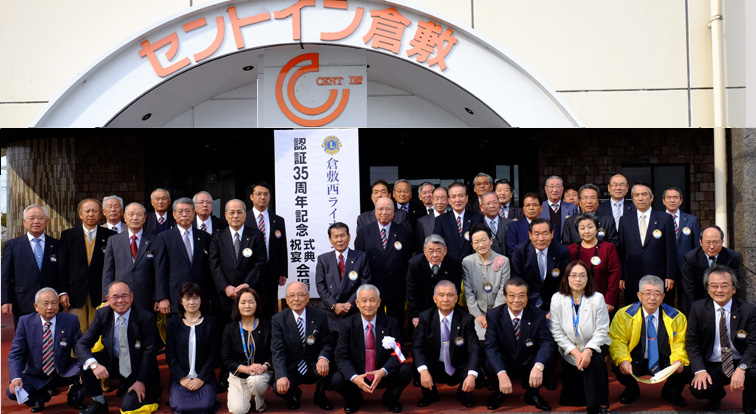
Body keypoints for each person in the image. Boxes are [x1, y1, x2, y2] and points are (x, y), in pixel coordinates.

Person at [76, 281, 162, 414]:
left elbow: (149, 351)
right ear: (108, 299)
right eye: (115, 297)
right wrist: (94, 365)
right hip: (113, 362)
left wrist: (140, 380)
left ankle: (142, 390)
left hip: (138, 367)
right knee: (86, 364)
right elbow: (82, 344)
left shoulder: (145, 317)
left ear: (132, 297)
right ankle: (99, 402)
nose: (120, 300)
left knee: (129, 406)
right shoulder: (102, 314)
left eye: (124, 296)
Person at [608, 275, 691, 407]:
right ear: (639, 296)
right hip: (635, 359)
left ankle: (671, 391)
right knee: (619, 365)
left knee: (685, 367)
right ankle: (632, 389)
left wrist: (678, 360)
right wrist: (623, 360)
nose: (652, 298)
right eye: (647, 293)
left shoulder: (677, 317)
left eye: (657, 293)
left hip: (665, 359)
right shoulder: (623, 315)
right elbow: (617, 341)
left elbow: (680, 342)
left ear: (663, 297)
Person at [331, 284, 412, 413]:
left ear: (379, 302)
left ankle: (390, 399)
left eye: (372, 300)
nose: (368, 305)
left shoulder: (391, 323)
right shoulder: (346, 325)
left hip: (382, 373)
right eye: (364, 301)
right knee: (337, 379)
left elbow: (399, 352)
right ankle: (354, 399)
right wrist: (354, 377)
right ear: (357, 303)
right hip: (359, 373)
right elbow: (341, 356)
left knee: (405, 371)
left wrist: (383, 371)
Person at [686, 266, 756, 412]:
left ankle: (750, 406)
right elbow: (692, 342)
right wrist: (700, 370)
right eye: (714, 286)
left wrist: (742, 368)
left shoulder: (748, 310)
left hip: (739, 361)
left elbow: (753, 344)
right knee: (700, 388)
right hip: (713, 363)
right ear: (708, 289)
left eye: (724, 286)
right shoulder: (698, 308)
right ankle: (716, 395)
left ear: (734, 289)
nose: (719, 290)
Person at [7, 287, 85, 413]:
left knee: (89, 371)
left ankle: (74, 396)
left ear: (58, 305)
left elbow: (79, 347)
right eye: (45, 303)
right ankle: (40, 397)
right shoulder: (25, 322)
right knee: (13, 392)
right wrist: (16, 378)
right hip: (36, 373)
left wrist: (85, 365)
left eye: (54, 303)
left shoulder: (71, 320)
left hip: (64, 370)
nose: (50, 307)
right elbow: (16, 353)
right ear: (36, 306)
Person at [549, 261, 611, 414]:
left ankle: (596, 406)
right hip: (570, 347)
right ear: (567, 278)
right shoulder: (557, 298)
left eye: (582, 275)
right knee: (573, 399)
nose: (578, 279)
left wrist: (588, 351)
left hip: (595, 344)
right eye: (574, 275)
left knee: (595, 360)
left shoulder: (597, 298)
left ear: (588, 278)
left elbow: (602, 330)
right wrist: (575, 352)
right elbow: (557, 332)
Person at [485, 277, 555, 411]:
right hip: (505, 361)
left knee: (546, 359)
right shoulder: (494, 315)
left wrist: (538, 366)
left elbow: (547, 342)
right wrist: (501, 373)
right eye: (512, 295)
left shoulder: (538, 315)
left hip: (528, 361)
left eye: (521, 295)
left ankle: (533, 394)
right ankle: (499, 393)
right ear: (505, 296)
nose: (516, 300)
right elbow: (490, 346)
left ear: (528, 297)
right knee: (489, 362)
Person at [412, 280, 479, 408]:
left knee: (475, 370)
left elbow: (474, 349)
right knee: (418, 367)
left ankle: (463, 394)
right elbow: (417, 347)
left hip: (458, 365)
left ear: (456, 298)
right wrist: (424, 371)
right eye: (441, 295)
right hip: (435, 363)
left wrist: (471, 375)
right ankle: (430, 395)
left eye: (450, 295)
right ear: (434, 298)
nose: (445, 299)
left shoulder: (466, 319)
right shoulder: (425, 317)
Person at [271, 282, 335, 411]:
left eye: (300, 295)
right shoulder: (278, 319)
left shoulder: (320, 315)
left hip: (313, 364)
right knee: (278, 387)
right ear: (286, 299)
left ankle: (320, 395)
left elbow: (327, 342)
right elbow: (278, 351)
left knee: (329, 367)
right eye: (292, 295)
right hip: (292, 366)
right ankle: (293, 395)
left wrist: (323, 357)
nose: (296, 299)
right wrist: (281, 375)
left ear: (307, 298)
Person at [58, 198, 116, 331]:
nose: (91, 214)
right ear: (80, 214)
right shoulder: (68, 236)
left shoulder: (110, 236)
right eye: (87, 211)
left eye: (94, 211)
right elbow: (62, 266)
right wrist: (63, 291)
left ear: (100, 214)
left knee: (100, 329)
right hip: (75, 292)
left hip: (100, 292)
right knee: (77, 329)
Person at [355, 197, 412, 324]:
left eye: (388, 209)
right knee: (374, 322)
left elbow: (406, 259)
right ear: (375, 212)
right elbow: (359, 260)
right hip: (372, 286)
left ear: (393, 212)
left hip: (396, 287)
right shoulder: (364, 231)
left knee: (396, 322)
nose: (384, 212)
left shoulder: (403, 232)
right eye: (380, 209)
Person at [618, 183, 677, 306]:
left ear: (651, 197)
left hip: (659, 275)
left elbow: (671, 250)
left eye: (644, 194)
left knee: (660, 308)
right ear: (633, 199)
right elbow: (622, 250)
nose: (640, 198)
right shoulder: (624, 220)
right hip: (632, 276)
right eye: (636, 195)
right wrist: (622, 276)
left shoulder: (665, 218)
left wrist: (670, 275)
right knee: (633, 310)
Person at [209, 199, 268, 323]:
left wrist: (246, 285)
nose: (235, 216)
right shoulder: (217, 237)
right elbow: (214, 264)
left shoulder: (256, 235)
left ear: (245, 214)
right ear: (226, 215)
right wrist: (225, 287)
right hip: (225, 296)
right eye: (232, 212)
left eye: (239, 212)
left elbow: (260, 263)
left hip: (250, 293)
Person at [2, 204, 61, 327]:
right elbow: (5, 276)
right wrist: (5, 300)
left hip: (50, 303)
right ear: (24, 221)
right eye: (32, 218)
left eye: (40, 218)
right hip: (22, 302)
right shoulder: (12, 245)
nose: (36, 222)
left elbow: (61, 273)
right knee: (25, 336)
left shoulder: (56, 245)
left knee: (51, 334)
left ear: (47, 221)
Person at [165, 282, 220, 414]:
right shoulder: (173, 323)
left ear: (201, 300)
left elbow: (213, 354)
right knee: (180, 407)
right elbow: (170, 355)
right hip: (181, 378)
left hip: (203, 377)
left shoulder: (211, 322)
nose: (191, 302)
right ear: (181, 301)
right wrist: (181, 378)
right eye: (187, 298)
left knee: (205, 405)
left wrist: (201, 378)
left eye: (195, 298)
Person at [155, 197, 213, 315]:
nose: (184, 214)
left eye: (188, 211)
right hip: (175, 296)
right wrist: (162, 297)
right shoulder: (164, 237)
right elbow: (160, 269)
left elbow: (208, 268)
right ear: (174, 214)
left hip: (200, 296)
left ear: (193, 212)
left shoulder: (204, 237)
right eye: (180, 211)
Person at [102, 202, 162, 314]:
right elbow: (108, 272)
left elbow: (159, 272)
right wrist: (107, 298)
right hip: (120, 298)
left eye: (139, 214)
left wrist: (159, 297)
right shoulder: (114, 240)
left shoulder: (156, 240)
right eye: (131, 214)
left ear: (144, 218)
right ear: (125, 217)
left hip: (147, 298)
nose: (135, 218)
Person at [222, 287, 272, 413]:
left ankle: (260, 399)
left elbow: (274, 353)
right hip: (239, 374)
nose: (247, 306)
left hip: (260, 373)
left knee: (256, 382)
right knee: (238, 410)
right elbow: (226, 358)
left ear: (257, 304)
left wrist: (264, 367)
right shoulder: (230, 328)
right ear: (237, 305)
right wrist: (246, 369)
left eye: (251, 302)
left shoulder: (267, 325)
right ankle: (246, 393)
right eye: (243, 302)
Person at [315, 222, 371, 331]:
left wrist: (350, 303)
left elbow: (364, 283)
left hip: (354, 309)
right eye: (335, 236)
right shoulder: (323, 259)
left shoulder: (361, 257)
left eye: (342, 235)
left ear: (349, 237)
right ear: (330, 239)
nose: (339, 240)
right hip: (330, 310)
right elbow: (320, 285)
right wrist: (334, 305)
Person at [245, 181, 289, 316]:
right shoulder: (244, 218)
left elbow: (282, 247)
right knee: (250, 305)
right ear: (251, 197)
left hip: (272, 271)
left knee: (270, 306)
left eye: (266, 194)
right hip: (249, 271)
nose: (262, 197)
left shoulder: (278, 220)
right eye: (259, 194)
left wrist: (283, 271)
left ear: (270, 197)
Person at [510, 218, 570, 311]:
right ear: (530, 235)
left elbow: (563, 281)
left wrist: (555, 305)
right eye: (536, 234)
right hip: (528, 301)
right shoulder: (520, 251)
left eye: (545, 233)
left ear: (552, 234)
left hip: (554, 301)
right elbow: (517, 279)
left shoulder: (561, 251)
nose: (541, 238)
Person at [680, 225, 742, 314]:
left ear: (722, 242)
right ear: (701, 242)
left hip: (724, 300)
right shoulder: (691, 258)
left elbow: (735, 285)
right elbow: (689, 289)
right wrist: (694, 312)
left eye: (716, 242)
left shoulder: (732, 257)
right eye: (708, 242)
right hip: (699, 299)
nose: (712, 246)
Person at [462, 223, 509, 341]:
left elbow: (503, 290)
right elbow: (468, 292)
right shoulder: (467, 262)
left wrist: (493, 315)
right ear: (472, 245)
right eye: (476, 242)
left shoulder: (503, 261)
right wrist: (477, 315)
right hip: (476, 313)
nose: (481, 245)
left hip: (498, 312)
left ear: (491, 240)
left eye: (484, 240)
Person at [567, 213, 621, 312]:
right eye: (582, 228)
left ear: (596, 229)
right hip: (576, 301)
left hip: (602, 301)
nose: (587, 231)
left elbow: (614, 274)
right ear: (578, 231)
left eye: (590, 227)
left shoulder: (608, 247)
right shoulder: (571, 249)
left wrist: (609, 300)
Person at [406, 235, 462, 326]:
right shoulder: (415, 264)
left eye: (439, 251)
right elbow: (412, 292)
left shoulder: (455, 263)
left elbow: (456, 290)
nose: (435, 255)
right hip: (422, 307)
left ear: (445, 251)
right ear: (424, 251)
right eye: (431, 251)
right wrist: (416, 315)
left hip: (446, 306)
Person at [433, 181, 483, 265]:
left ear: (466, 198)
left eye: (461, 196)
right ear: (449, 200)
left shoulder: (476, 218)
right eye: (453, 197)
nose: (457, 200)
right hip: (449, 265)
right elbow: (437, 244)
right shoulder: (441, 220)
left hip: (473, 264)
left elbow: (480, 242)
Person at [663, 187, 700, 288]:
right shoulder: (658, 219)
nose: (672, 200)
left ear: (681, 200)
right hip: (664, 268)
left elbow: (696, 246)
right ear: (664, 201)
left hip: (685, 267)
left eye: (675, 197)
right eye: (669, 197)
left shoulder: (691, 220)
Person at [539, 175, 578, 242]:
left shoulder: (572, 208)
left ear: (562, 189)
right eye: (551, 186)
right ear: (546, 189)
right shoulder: (540, 208)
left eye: (558, 187)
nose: (555, 190)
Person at [415, 186, 447, 254]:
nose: (440, 202)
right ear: (432, 200)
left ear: (448, 200)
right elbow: (420, 247)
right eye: (437, 199)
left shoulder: (454, 218)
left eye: (443, 198)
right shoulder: (421, 222)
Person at [480, 192, 513, 256]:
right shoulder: (477, 224)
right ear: (481, 207)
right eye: (488, 203)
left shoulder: (510, 224)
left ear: (499, 205)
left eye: (495, 202)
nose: (492, 206)